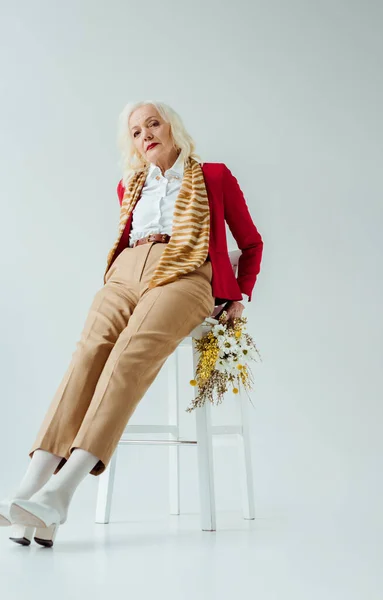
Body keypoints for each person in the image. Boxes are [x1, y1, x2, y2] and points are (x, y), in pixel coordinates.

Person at [0, 100, 263, 547]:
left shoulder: (213, 175)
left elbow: (251, 242)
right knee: (87, 353)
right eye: (136, 131)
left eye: (153, 124)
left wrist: (240, 294)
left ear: (172, 128)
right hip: (125, 270)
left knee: (127, 357)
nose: (146, 135)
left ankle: (62, 493)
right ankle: (30, 490)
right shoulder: (131, 185)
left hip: (186, 272)